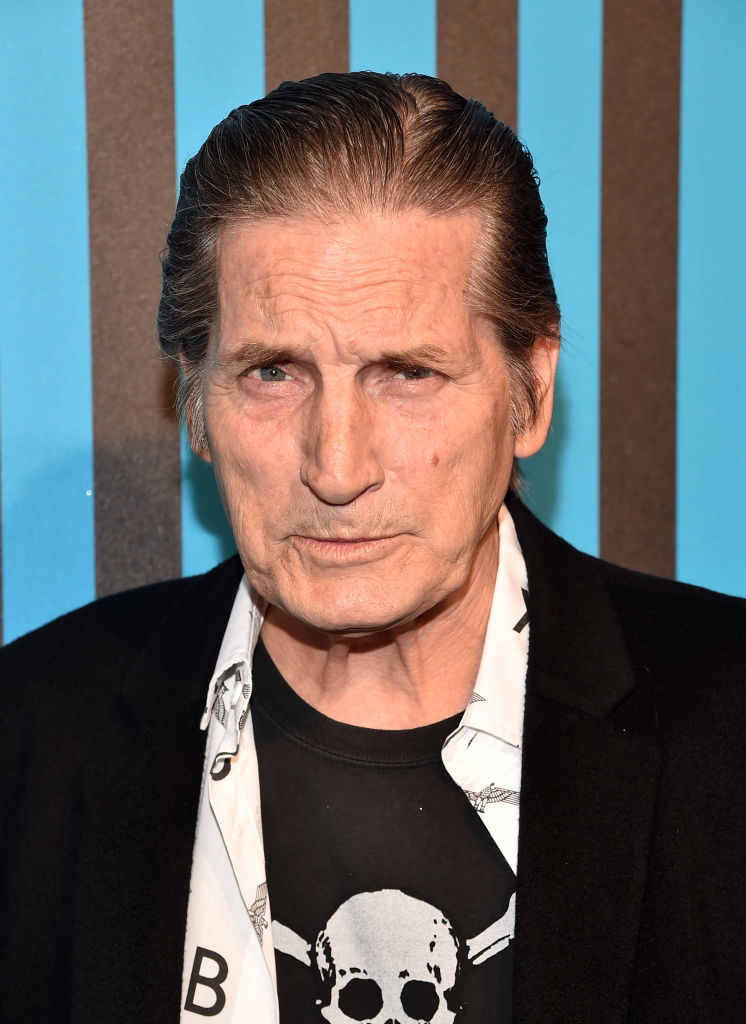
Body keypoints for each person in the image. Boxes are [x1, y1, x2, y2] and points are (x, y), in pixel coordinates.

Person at [0, 72, 743, 1024]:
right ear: (195, 403)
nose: (337, 467)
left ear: (530, 394)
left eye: (407, 373)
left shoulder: (729, 725)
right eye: (273, 372)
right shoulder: (32, 737)